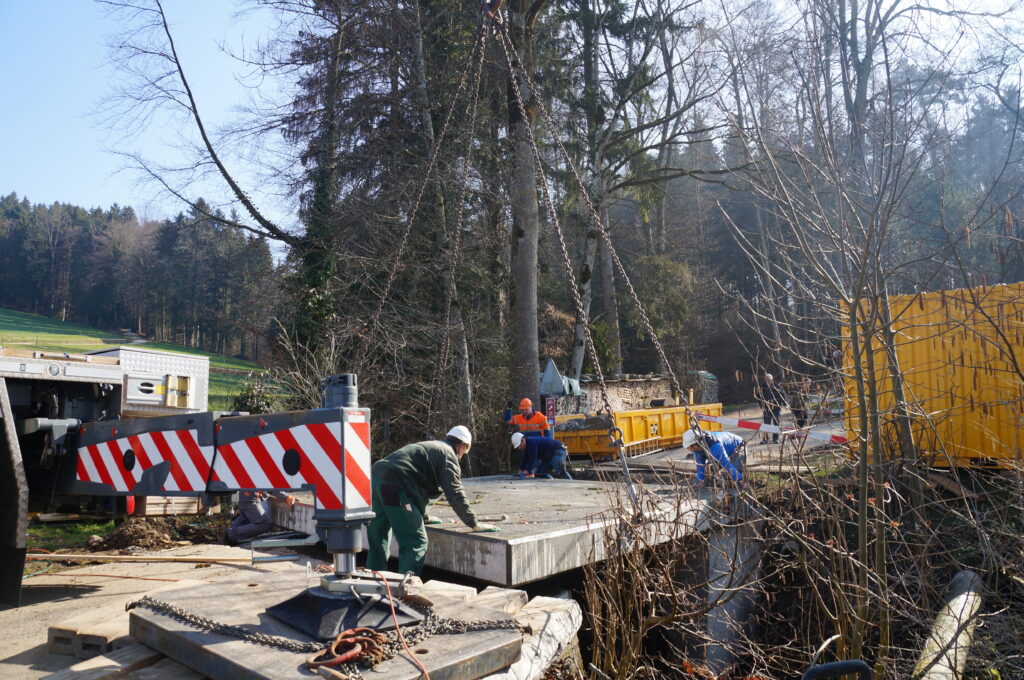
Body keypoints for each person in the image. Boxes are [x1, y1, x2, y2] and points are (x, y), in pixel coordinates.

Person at [366, 426, 499, 575]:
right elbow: (455, 493)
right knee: (416, 541)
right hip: (395, 484)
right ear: (462, 447)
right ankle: (405, 588)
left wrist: (423, 516)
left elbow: (419, 488)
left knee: (379, 534)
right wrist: (473, 522)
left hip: (376, 477)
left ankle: (372, 579)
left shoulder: (431, 449)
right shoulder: (448, 456)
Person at [225, 490, 295, 545]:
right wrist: (287, 497)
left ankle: (227, 535)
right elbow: (272, 487)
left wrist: (267, 495)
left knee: (246, 519)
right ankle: (229, 534)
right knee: (264, 523)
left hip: (246, 498)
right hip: (251, 500)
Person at [757, 373, 787, 444]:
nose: (768, 380)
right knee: (766, 424)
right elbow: (759, 398)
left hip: (776, 407)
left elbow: (782, 395)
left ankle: (775, 438)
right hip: (767, 408)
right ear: (764, 379)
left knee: (776, 423)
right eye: (766, 379)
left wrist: (785, 404)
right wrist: (762, 407)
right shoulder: (762, 387)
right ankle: (765, 439)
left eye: (769, 379)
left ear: (772, 379)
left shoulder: (777, 386)